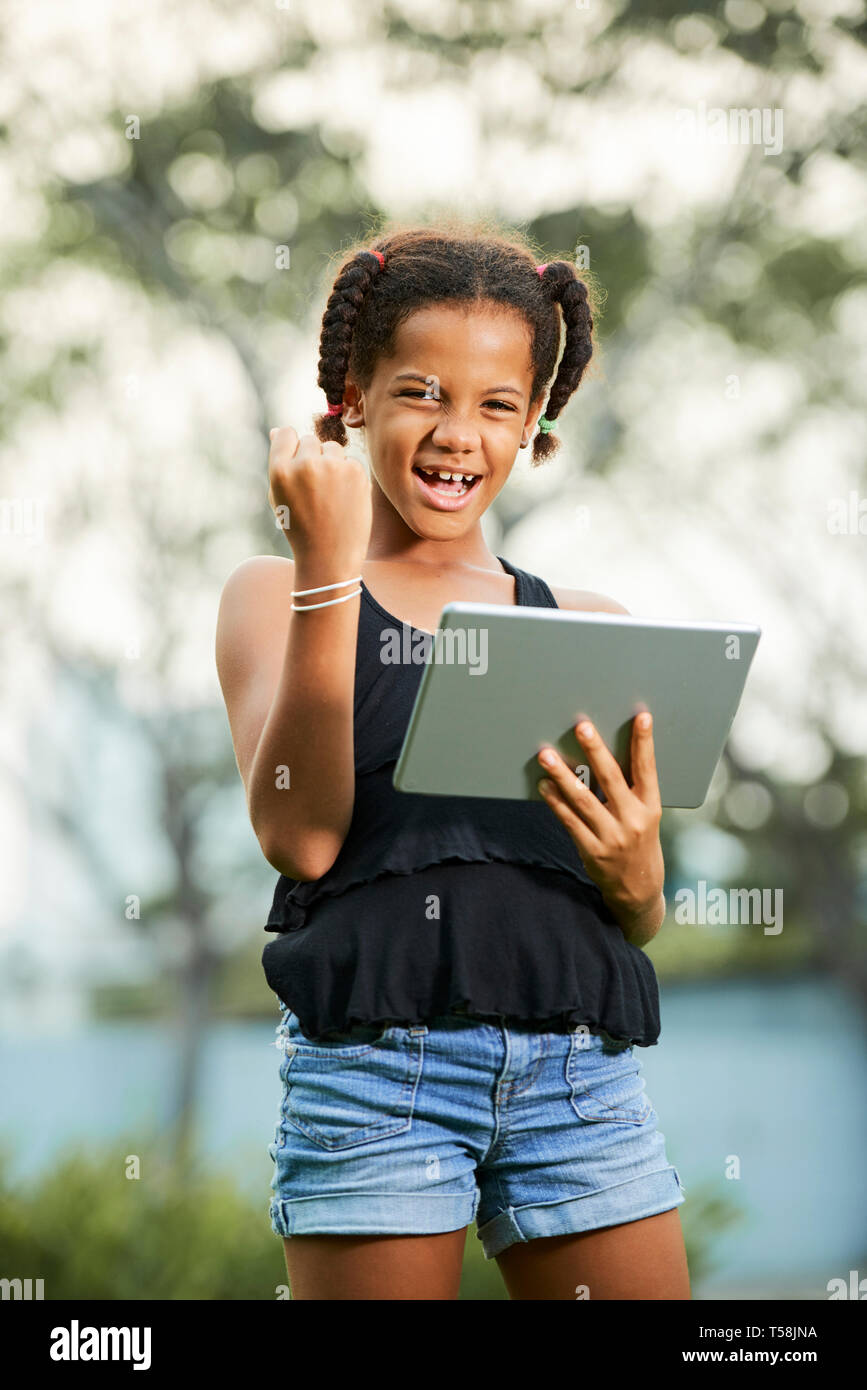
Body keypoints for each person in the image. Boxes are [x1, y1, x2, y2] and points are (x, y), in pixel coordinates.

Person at [215, 219, 689, 1300]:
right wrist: (329, 566)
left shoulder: (588, 625)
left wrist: (641, 876)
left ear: (534, 425)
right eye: (422, 391)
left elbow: (637, 912)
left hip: (579, 1079)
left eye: (496, 406)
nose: (457, 434)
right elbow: (301, 832)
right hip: (378, 1076)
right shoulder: (273, 593)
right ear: (354, 393)